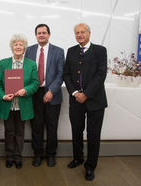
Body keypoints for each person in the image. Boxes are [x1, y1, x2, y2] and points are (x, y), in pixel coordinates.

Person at [63, 23, 108, 181]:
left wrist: (86, 94)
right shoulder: (71, 51)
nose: (80, 35)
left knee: (93, 135)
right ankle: (77, 158)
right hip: (75, 100)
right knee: (76, 131)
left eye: (82, 32)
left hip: (96, 101)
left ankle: (90, 166)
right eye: (77, 33)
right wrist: (75, 93)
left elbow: (101, 75)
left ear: (89, 33)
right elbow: (66, 74)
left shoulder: (100, 51)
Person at [0, 34, 39, 169]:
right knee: (9, 132)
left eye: (20, 45)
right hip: (8, 104)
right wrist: (2, 96)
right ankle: (9, 156)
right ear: (12, 47)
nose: (18, 47)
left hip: (23, 104)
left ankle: (18, 157)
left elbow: (35, 82)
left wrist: (25, 90)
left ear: (24, 47)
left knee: (20, 132)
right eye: (16, 44)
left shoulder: (31, 64)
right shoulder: (4, 63)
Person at [25, 24, 64, 167]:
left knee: (52, 127)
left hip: (52, 94)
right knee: (37, 126)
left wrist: (51, 91)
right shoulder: (29, 50)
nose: (41, 35)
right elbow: (26, 72)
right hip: (35, 93)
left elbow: (61, 74)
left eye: (44, 33)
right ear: (35, 35)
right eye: (38, 33)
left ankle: (51, 155)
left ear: (49, 34)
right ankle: (38, 154)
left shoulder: (58, 51)